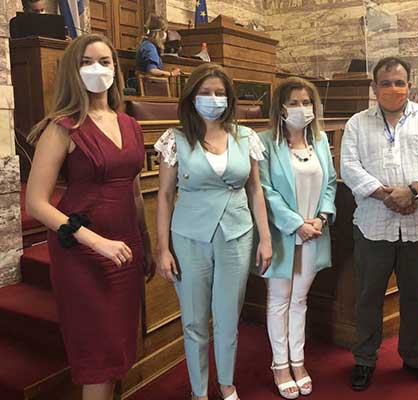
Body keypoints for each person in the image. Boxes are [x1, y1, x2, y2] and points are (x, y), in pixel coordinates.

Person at [25, 34, 155, 400]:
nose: (97, 69)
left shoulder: (130, 124)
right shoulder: (62, 126)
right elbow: (36, 202)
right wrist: (96, 241)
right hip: (82, 252)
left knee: (118, 347)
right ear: (73, 71)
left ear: (115, 69)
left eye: (104, 61)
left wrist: (144, 242)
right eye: (87, 62)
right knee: (98, 355)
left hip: (126, 247)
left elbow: (133, 190)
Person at [154, 63, 272, 400]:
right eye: (205, 93)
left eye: (220, 93)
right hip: (189, 236)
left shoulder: (245, 136)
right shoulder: (175, 139)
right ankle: (198, 391)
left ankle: (226, 383)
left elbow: (255, 190)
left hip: (237, 233)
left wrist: (265, 238)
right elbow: (164, 195)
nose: (213, 98)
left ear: (230, 98)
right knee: (194, 319)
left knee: (228, 316)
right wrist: (162, 248)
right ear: (192, 97)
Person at [340, 56, 418, 393]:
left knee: (417, 298)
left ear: (409, 85)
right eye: (386, 83)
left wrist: (412, 191)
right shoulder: (357, 123)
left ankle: (417, 359)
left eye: (399, 82)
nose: (393, 88)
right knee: (368, 297)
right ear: (374, 87)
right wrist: (385, 195)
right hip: (373, 226)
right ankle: (364, 359)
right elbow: (349, 167)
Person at [258, 77, 337, 399]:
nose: (301, 108)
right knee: (279, 300)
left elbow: (330, 182)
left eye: (306, 102)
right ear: (280, 108)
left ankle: (298, 362)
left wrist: (322, 217)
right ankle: (280, 365)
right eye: (293, 103)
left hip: (315, 233)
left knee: (300, 300)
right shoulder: (264, 142)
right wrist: (294, 224)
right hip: (282, 235)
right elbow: (264, 190)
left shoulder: (319, 140)